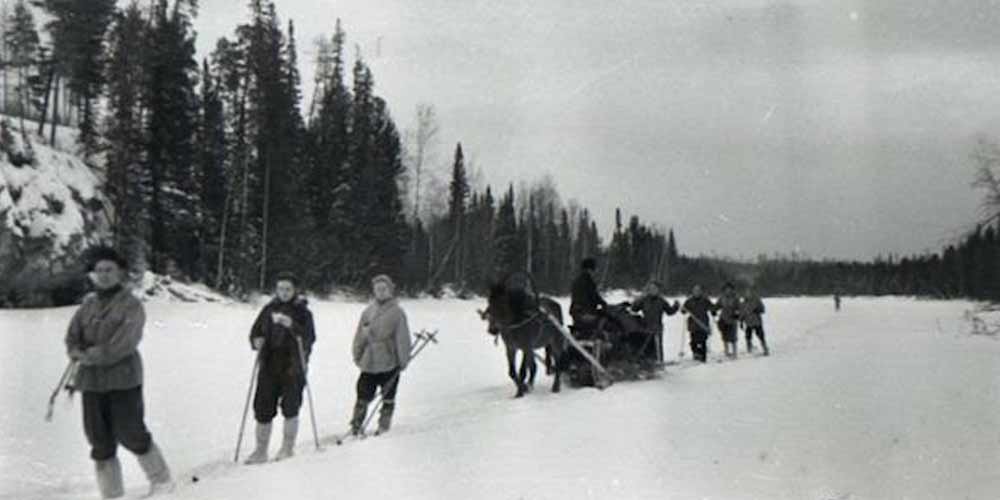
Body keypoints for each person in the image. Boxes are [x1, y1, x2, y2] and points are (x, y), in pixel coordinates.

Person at [64, 247, 174, 498]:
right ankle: (111, 493)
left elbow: (124, 343)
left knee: (130, 431)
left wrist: (89, 355)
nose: (103, 275)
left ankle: (162, 480)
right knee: (99, 440)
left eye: (109, 270)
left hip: (123, 379)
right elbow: (73, 336)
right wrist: (74, 350)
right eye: (99, 270)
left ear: (120, 272)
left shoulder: (130, 304)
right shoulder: (88, 304)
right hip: (91, 382)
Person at [244, 272, 316, 464]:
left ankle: (287, 447)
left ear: (295, 290)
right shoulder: (268, 309)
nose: (284, 292)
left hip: (293, 365)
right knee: (262, 407)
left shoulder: (303, 312)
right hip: (269, 364)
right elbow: (255, 331)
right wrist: (256, 340)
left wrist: (292, 325)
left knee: (291, 406)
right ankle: (260, 450)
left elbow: (309, 337)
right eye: (280, 289)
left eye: (288, 289)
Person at [350, 275, 412, 435]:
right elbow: (360, 335)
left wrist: (403, 360)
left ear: (390, 290)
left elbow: (402, 338)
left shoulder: (397, 312)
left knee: (388, 394)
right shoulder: (368, 311)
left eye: (384, 289)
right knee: (363, 392)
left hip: (388, 360)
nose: (381, 292)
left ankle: (384, 425)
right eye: (378, 289)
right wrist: (357, 354)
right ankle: (356, 424)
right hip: (369, 361)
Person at [629, 281, 679, 363]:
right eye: (651, 289)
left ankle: (659, 362)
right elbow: (634, 309)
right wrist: (636, 301)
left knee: (657, 347)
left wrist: (675, 306)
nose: (653, 290)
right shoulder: (644, 300)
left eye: (655, 289)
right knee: (646, 347)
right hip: (645, 327)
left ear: (658, 290)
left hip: (657, 328)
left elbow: (669, 312)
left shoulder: (661, 301)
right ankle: (648, 363)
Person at [569, 257, 607, 334]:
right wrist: (604, 304)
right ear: (589, 269)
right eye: (594, 269)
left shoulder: (577, 280)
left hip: (576, 311)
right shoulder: (588, 281)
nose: (595, 271)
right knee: (607, 320)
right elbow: (594, 296)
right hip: (586, 311)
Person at [681, 285, 717, 363]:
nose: (697, 292)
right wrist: (683, 311)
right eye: (695, 291)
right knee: (693, 341)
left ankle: (703, 357)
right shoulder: (689, 301)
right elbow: (684, 309)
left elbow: (712, 307)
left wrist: (713, 311)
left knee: (702, 341)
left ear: (701, 292)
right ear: (693, 292)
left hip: (703, 324)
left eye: (698, 291)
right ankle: (696, 354)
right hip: (693, 324)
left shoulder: (705, 300)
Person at [740, 286, 769, 356]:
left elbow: (763, 310)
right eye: (746, 293)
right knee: (748, 336)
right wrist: (741, 321)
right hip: (748, 323)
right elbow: (742, 313)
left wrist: (758, 310)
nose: (747, 294)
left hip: (757, 322)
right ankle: (749, 349)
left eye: (749, 292)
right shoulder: (743, 303)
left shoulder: (757, 300)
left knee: (761, 336)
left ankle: (765, 349)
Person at [716, 282, 741, 359]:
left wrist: (737, 314)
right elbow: (718, 305)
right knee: (724, 336)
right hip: (723, 318)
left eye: (729, 289)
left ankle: (734, 352)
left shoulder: (735, 297)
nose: (728, 290)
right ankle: (726, 351)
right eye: (726, 289)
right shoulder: (722, 297)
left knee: (733, 337)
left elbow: (739, 307)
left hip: (732, 319)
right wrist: (714, 310)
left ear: (732, 289)